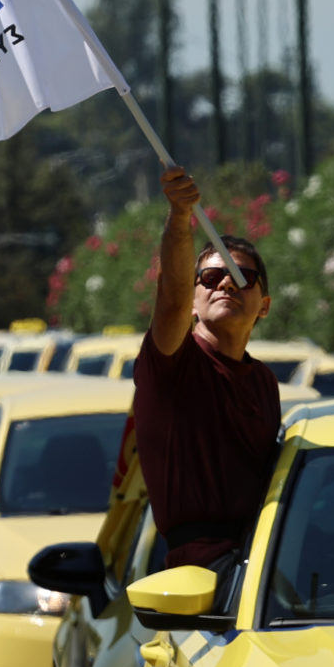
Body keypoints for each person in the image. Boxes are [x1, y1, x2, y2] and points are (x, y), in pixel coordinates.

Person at [132, 167, 281, 571]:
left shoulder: (265, 382)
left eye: (241, 277)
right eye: (212, 277)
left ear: (264, 305)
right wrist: (180, 217)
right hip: (203, 579)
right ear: (194, 302)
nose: (226, 285)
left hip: (269, 562)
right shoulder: (173, 363)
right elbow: (171, 298)